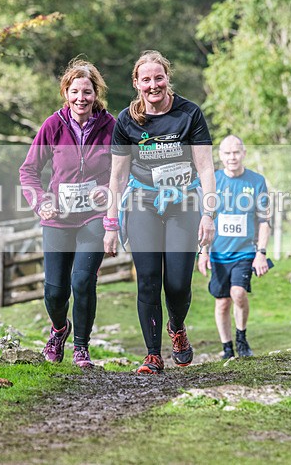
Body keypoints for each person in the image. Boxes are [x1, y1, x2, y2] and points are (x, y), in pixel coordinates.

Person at [104, 50, 216, 375]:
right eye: (146, 79)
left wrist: (208, 214)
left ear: (167, 78)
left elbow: (206, 168)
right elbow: (117, 177)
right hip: (142, 202)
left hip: (184, 203)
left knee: (178, 283)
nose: (154, 85)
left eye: (159, 77)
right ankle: (152, 355)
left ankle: (177, 327)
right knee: (149, 280)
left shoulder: (189, 113)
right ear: (136, 83)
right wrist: (111, 224)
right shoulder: (126, 120)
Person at [19, 58, 116, 368]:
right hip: (58, 216)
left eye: (87, 92)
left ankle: (81, 347)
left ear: (96, 93)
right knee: (55, 291)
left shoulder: (110, 126)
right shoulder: (53, 125)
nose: (81, 98)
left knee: (83, 281)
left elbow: (122, 169)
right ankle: (60, 329)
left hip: (93, 216)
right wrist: (41, 201)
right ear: (65, 92)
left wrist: (107, 191)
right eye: (75, 91)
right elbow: (29, 170)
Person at [197, 135, 272, 359]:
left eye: (236, 152)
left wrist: (261, 253)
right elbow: (203, 220)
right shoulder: (213, 181)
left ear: (244, 153)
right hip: (219, 252)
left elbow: (264, 221)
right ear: (220, 156)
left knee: (238, 293)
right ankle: (227, 348)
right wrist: (203, 252)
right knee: (222, 303)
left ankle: (241, 338)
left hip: (245, 251)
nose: (232, 157)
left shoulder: (256, 181)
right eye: (227, 153)